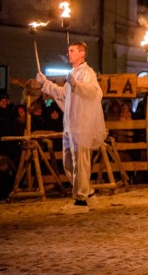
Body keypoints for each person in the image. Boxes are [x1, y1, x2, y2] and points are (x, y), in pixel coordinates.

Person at [37, 41, 107, 214]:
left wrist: (76, 84)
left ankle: (80, 201)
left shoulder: (87, 72)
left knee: (80, 163)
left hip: (81, 125)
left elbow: (95, 92)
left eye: (72, 50)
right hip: (70, 124)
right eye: (69, 50)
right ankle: (89, 194)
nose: (69, 53)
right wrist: (46, 83)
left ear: (82, 54)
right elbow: (63, 94)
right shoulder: (73, 73)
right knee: (69, 162)